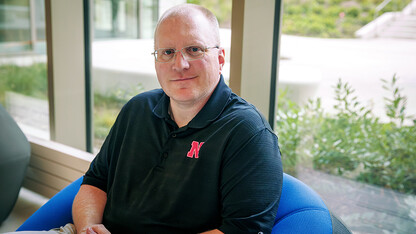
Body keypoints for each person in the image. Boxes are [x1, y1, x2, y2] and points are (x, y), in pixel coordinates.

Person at [72, 4, 283, 234]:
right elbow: (95, 182)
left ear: (220, 59)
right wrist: (88, 228)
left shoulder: (248, 132)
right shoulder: (137, 109)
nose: (179, 65)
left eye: (194, 49)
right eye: (167, 52)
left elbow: (242, 230)